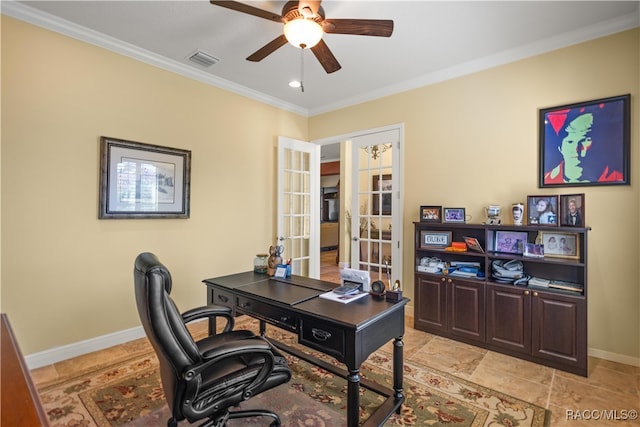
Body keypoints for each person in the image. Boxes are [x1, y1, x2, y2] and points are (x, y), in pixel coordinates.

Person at [543, 102, 625, 184]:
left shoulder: (616, 178)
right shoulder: (548, 178)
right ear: (560, 147)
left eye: (585, 140)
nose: (576, 149)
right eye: (570, 142)